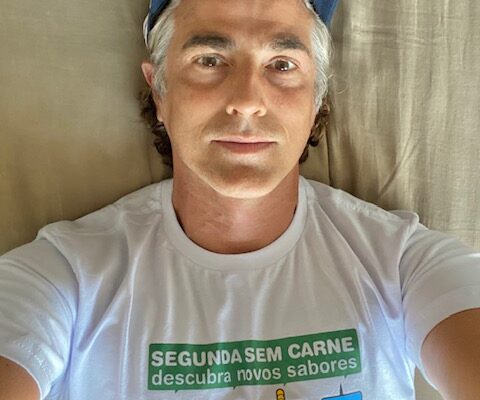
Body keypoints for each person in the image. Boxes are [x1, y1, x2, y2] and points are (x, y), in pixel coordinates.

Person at [1, 0, 479, 399]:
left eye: (282, 64)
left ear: (316, 97)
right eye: (209, 60)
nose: (248, 100)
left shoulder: (403, 265)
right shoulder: (64, 275)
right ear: (159, 91)